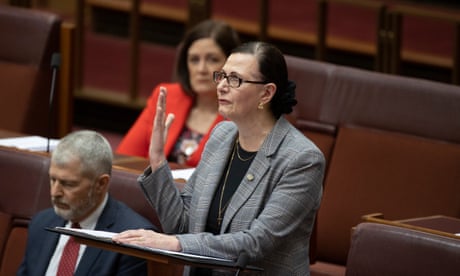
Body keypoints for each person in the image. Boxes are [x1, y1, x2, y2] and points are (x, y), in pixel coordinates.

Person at [113, 42, 325, 275]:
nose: (222, 86)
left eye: (235, 79)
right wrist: (157, 161)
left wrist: (176, 243)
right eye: (221, 76)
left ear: (266, 93)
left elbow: (255, 243)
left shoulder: (302, 159)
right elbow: (182, 226)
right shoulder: (221, 135)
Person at [18, 130, 155, 276]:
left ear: (101, 184)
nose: (55, 193)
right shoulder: (41, 223)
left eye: (68, 184)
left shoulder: (132, 240)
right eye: (53, 180)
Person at [116, 19, 241, 167]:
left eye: (212, 59)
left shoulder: (240, 113)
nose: (201, 69)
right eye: (194, 60)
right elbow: (125, 159)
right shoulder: (167, 96)